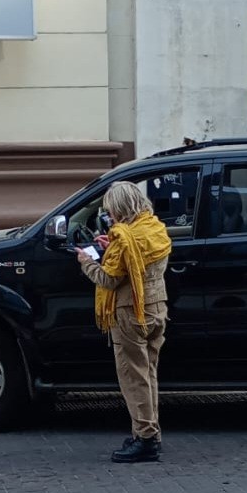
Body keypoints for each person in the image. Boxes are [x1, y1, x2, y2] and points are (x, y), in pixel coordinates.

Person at [75, 182, 172, 463]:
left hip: (130, 312)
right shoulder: (154, 229)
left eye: (110, 211)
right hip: (157, 309)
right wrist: (113, 246)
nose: (110, 217)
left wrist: (86, 261)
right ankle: (152, 433)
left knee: (133, 377)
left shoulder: (125, 238)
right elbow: (131, 258)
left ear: (118, 208)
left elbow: (109, 278)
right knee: (149, 373)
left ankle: (144, 440)